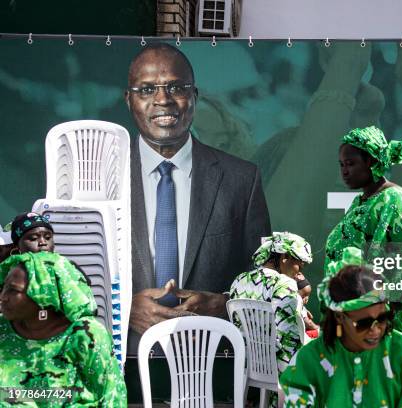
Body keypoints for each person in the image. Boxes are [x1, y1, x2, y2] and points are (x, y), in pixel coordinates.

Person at [125, 43, 271, 354]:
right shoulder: (102, 179)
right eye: (147, 89)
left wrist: (225, 305)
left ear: (195, 96)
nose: (163, 100)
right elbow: (72, 280)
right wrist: (123, 309)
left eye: (176, 87)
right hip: (121, 371)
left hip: (214, 367)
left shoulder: (241, 180)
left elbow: (265, 284)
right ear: (129, 100)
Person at [324, 125, 402, 362]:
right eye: (341, 165)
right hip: (358, 322)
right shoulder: (361, 202)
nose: (344, 171)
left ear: (373, 162)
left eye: (350, 164)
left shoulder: (398, 202)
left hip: (391, 326)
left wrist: (370, 311)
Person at [280, 265, 402, 408]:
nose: (376, 329)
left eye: (383, 318)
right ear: (339, 317)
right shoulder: (309, 360)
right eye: (364, 323)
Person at [0, 251, 127, 406]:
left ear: (44, 295)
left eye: (14, 290)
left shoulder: (85, 335)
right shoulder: (3, 330)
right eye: (4, 287)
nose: (3, 296)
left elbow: (111, 396)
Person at [229, 232, 312, 374]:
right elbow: (289, 338)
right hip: (279, 369)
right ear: (285, 257)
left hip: (249, 363)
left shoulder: (239, 280)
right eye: (300, 266)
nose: (299, 273)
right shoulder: (285, 284)